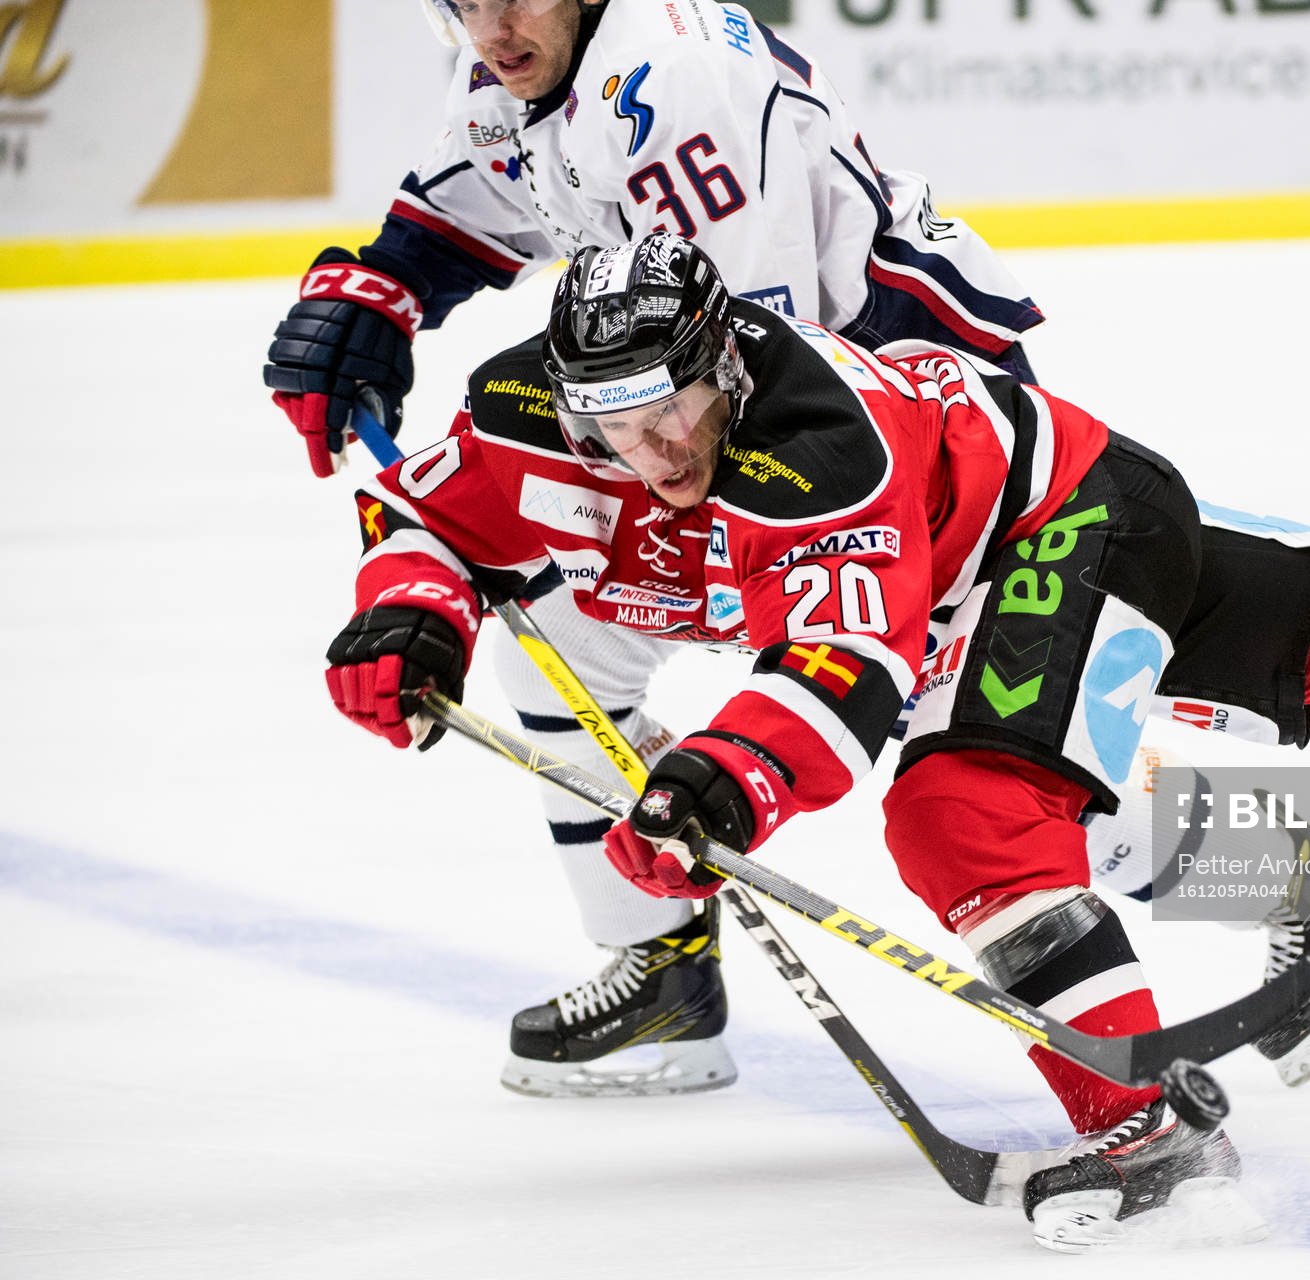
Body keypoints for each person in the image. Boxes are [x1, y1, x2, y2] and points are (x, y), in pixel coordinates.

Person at [322, 232, 1310, 1249]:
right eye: (613, 420)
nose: (654, 446)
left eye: (674, 405)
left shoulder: (815, 446)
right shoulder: (532, 414)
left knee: (961, 808)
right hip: (1040, 512)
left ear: (726, 360)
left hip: (1055, 528)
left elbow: (846, 668)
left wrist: (719, 782)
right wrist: (408, 620)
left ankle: (1136, 1123)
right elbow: (424, 521)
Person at [264, 0, 1047, 1096]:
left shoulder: (673, 83)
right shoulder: (525, 63)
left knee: (994, 754)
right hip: (760, 437)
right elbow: (472, 209)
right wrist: (383, 289)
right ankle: (664, 970)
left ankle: (1293, 875)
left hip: (923, 452)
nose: (490, 26)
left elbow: (757, 365)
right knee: (564, 638)